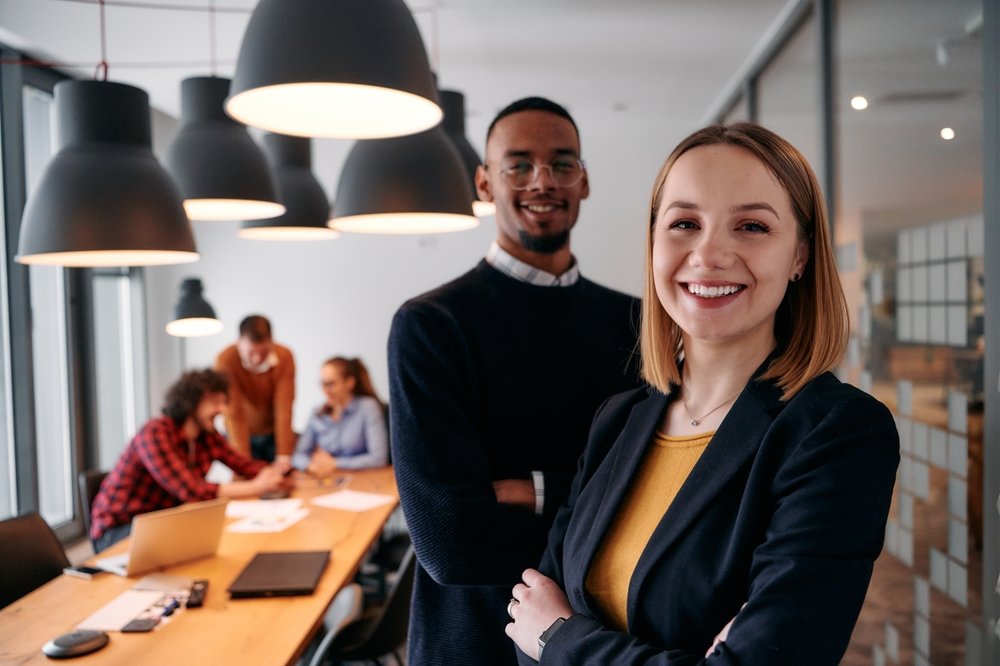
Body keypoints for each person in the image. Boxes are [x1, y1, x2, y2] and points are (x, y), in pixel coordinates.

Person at [505, 123, 900, 664]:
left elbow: (542, 632)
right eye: (685, 223)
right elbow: (528, 612)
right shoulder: (620, 420)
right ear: (654, 244)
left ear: (800, 256)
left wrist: (561, 637)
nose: (709, 253)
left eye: (753, 226)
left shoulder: (836, 433)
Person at [388, 96, 641, 665]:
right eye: (518, 164)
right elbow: (450, 544)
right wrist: (598, 502)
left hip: (605, 645)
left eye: (562, 164)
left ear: (585, 182)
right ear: (484, 183)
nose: (542, 181)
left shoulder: (637, 322)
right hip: (474, 644)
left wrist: (536, 490)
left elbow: (659, 495)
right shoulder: (430, 326)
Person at [90, 369, 289, 552]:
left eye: (223, 402)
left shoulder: (207, 436)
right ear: (191, 402)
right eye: (214, 402)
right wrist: (257, 487)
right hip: (117, 531)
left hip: (161, 524)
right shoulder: (155, 432)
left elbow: (245, 465)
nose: (222, 410)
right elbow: (191, 490)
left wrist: (271, 473)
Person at [215, 314, 295, 466]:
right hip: (240, 434)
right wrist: (244, 464)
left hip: (274, 434)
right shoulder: (225, 360)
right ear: (239, 343)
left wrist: (284, 456)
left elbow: (284, 407)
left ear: (272, 341)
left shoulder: (284, 356)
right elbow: (234, 412)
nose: (257, 359)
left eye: (263, 352)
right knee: (246, 482)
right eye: (251, 353)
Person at [292, 357, 388, 474]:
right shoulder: (317, 413)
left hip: (363, 477)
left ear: (349, 383)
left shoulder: (367, 407)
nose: (325, 390)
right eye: (323, 384)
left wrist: (335, 463)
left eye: (331, 384)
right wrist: (310, 465)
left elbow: (378, 459)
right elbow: (298, 456)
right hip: (329, 479)